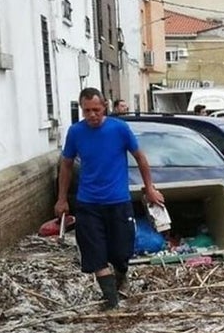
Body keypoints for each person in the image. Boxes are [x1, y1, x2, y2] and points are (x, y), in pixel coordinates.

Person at [56, 87, 164, 310]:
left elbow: (140, 157)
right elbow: (66, 165)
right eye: (87, 111)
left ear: (104, 106)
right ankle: (111, 301)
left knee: (121, 251)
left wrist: (149, 188)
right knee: (94, 252)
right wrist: (62, 198)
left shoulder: (119, 129)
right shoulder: (76, 132)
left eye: (96, 110)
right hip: (88, 203)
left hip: (117, 201)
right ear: (82, 110)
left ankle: (121, 274)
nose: (92, 115)